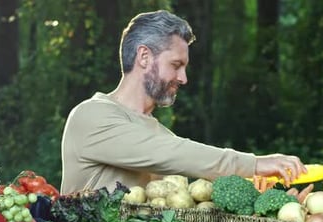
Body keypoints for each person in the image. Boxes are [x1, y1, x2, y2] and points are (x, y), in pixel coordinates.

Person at [60, 10, 306, 194]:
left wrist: (257, 189)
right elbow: (175, 153)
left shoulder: (160, 133)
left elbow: (188, 186)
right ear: (144, 56)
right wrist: (254, 164)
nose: (183, 78)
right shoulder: (91, 116)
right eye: (176, 65)